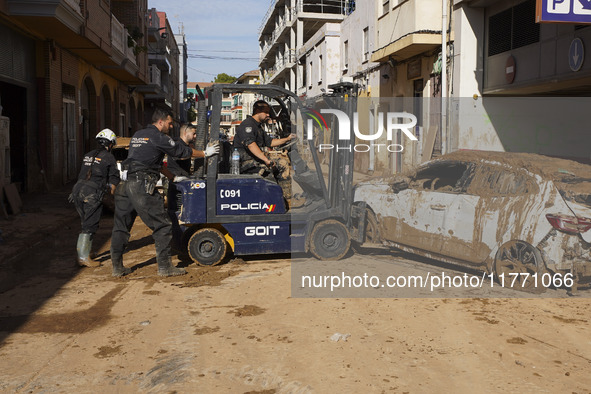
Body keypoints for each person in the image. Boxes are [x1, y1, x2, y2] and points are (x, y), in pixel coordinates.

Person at [110, 108, 219, 277]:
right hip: (141, 185)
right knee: (163, 225)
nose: (170, 126)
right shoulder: (158, 137)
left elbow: (155, 163)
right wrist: (205, 153)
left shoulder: (139, 135)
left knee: (121, 227)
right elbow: (180, 151)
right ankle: (165, 267)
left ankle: (117, 268)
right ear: (160, 122)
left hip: (126, 184)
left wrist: (173, 179)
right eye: (169, 123)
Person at [71, 129, 120, 267]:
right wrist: (112, 196)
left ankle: (87, 251)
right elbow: (114, 178)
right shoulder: (109, 157)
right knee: (90, 225)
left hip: (77, 190)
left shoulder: (88, 154)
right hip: (91, 193)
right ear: (110, 144)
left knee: (85, 222)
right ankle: (82, 257)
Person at [232, 100, 294, 175]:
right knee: (282, 165)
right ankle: (283, 186)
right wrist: (266, 160)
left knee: (282, 161)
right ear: (258, 111)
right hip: (245, 164)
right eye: (266, 112)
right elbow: (250, 144)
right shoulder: (248, 124)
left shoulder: (258, 126)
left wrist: (288, 139)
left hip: (253, 160)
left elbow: (270, 142)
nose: (268, 115)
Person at [161, 123, 197, 250]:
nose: (195, 135)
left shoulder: (186, 145)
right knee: (175, 213)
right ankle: (176, 243)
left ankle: (180, 240)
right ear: (185, 132)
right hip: (175, 183)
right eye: (193, 133)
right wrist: (201, 153)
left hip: (183, 181)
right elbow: (181, 155)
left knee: (183, 212)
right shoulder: (176, 144)